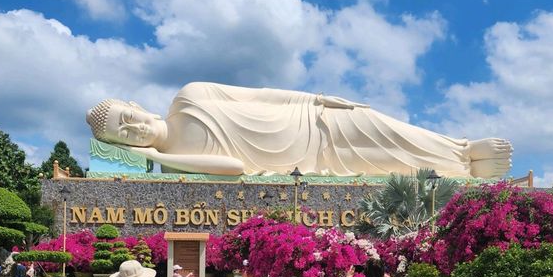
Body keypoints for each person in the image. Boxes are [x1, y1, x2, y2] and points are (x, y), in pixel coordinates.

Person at [86, 82, 512, 178]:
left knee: (388, 130)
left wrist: (313, 99)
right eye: (125, 136)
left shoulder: (189, 95)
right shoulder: (175, 162)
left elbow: (258, 96)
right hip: (306, 159)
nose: (135, 128)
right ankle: (468, 170)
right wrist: (158, 156)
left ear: (135, 104)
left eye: (128, 117)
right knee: (393, 162)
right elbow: (234, 167)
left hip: (307, 119)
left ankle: (462, 146)